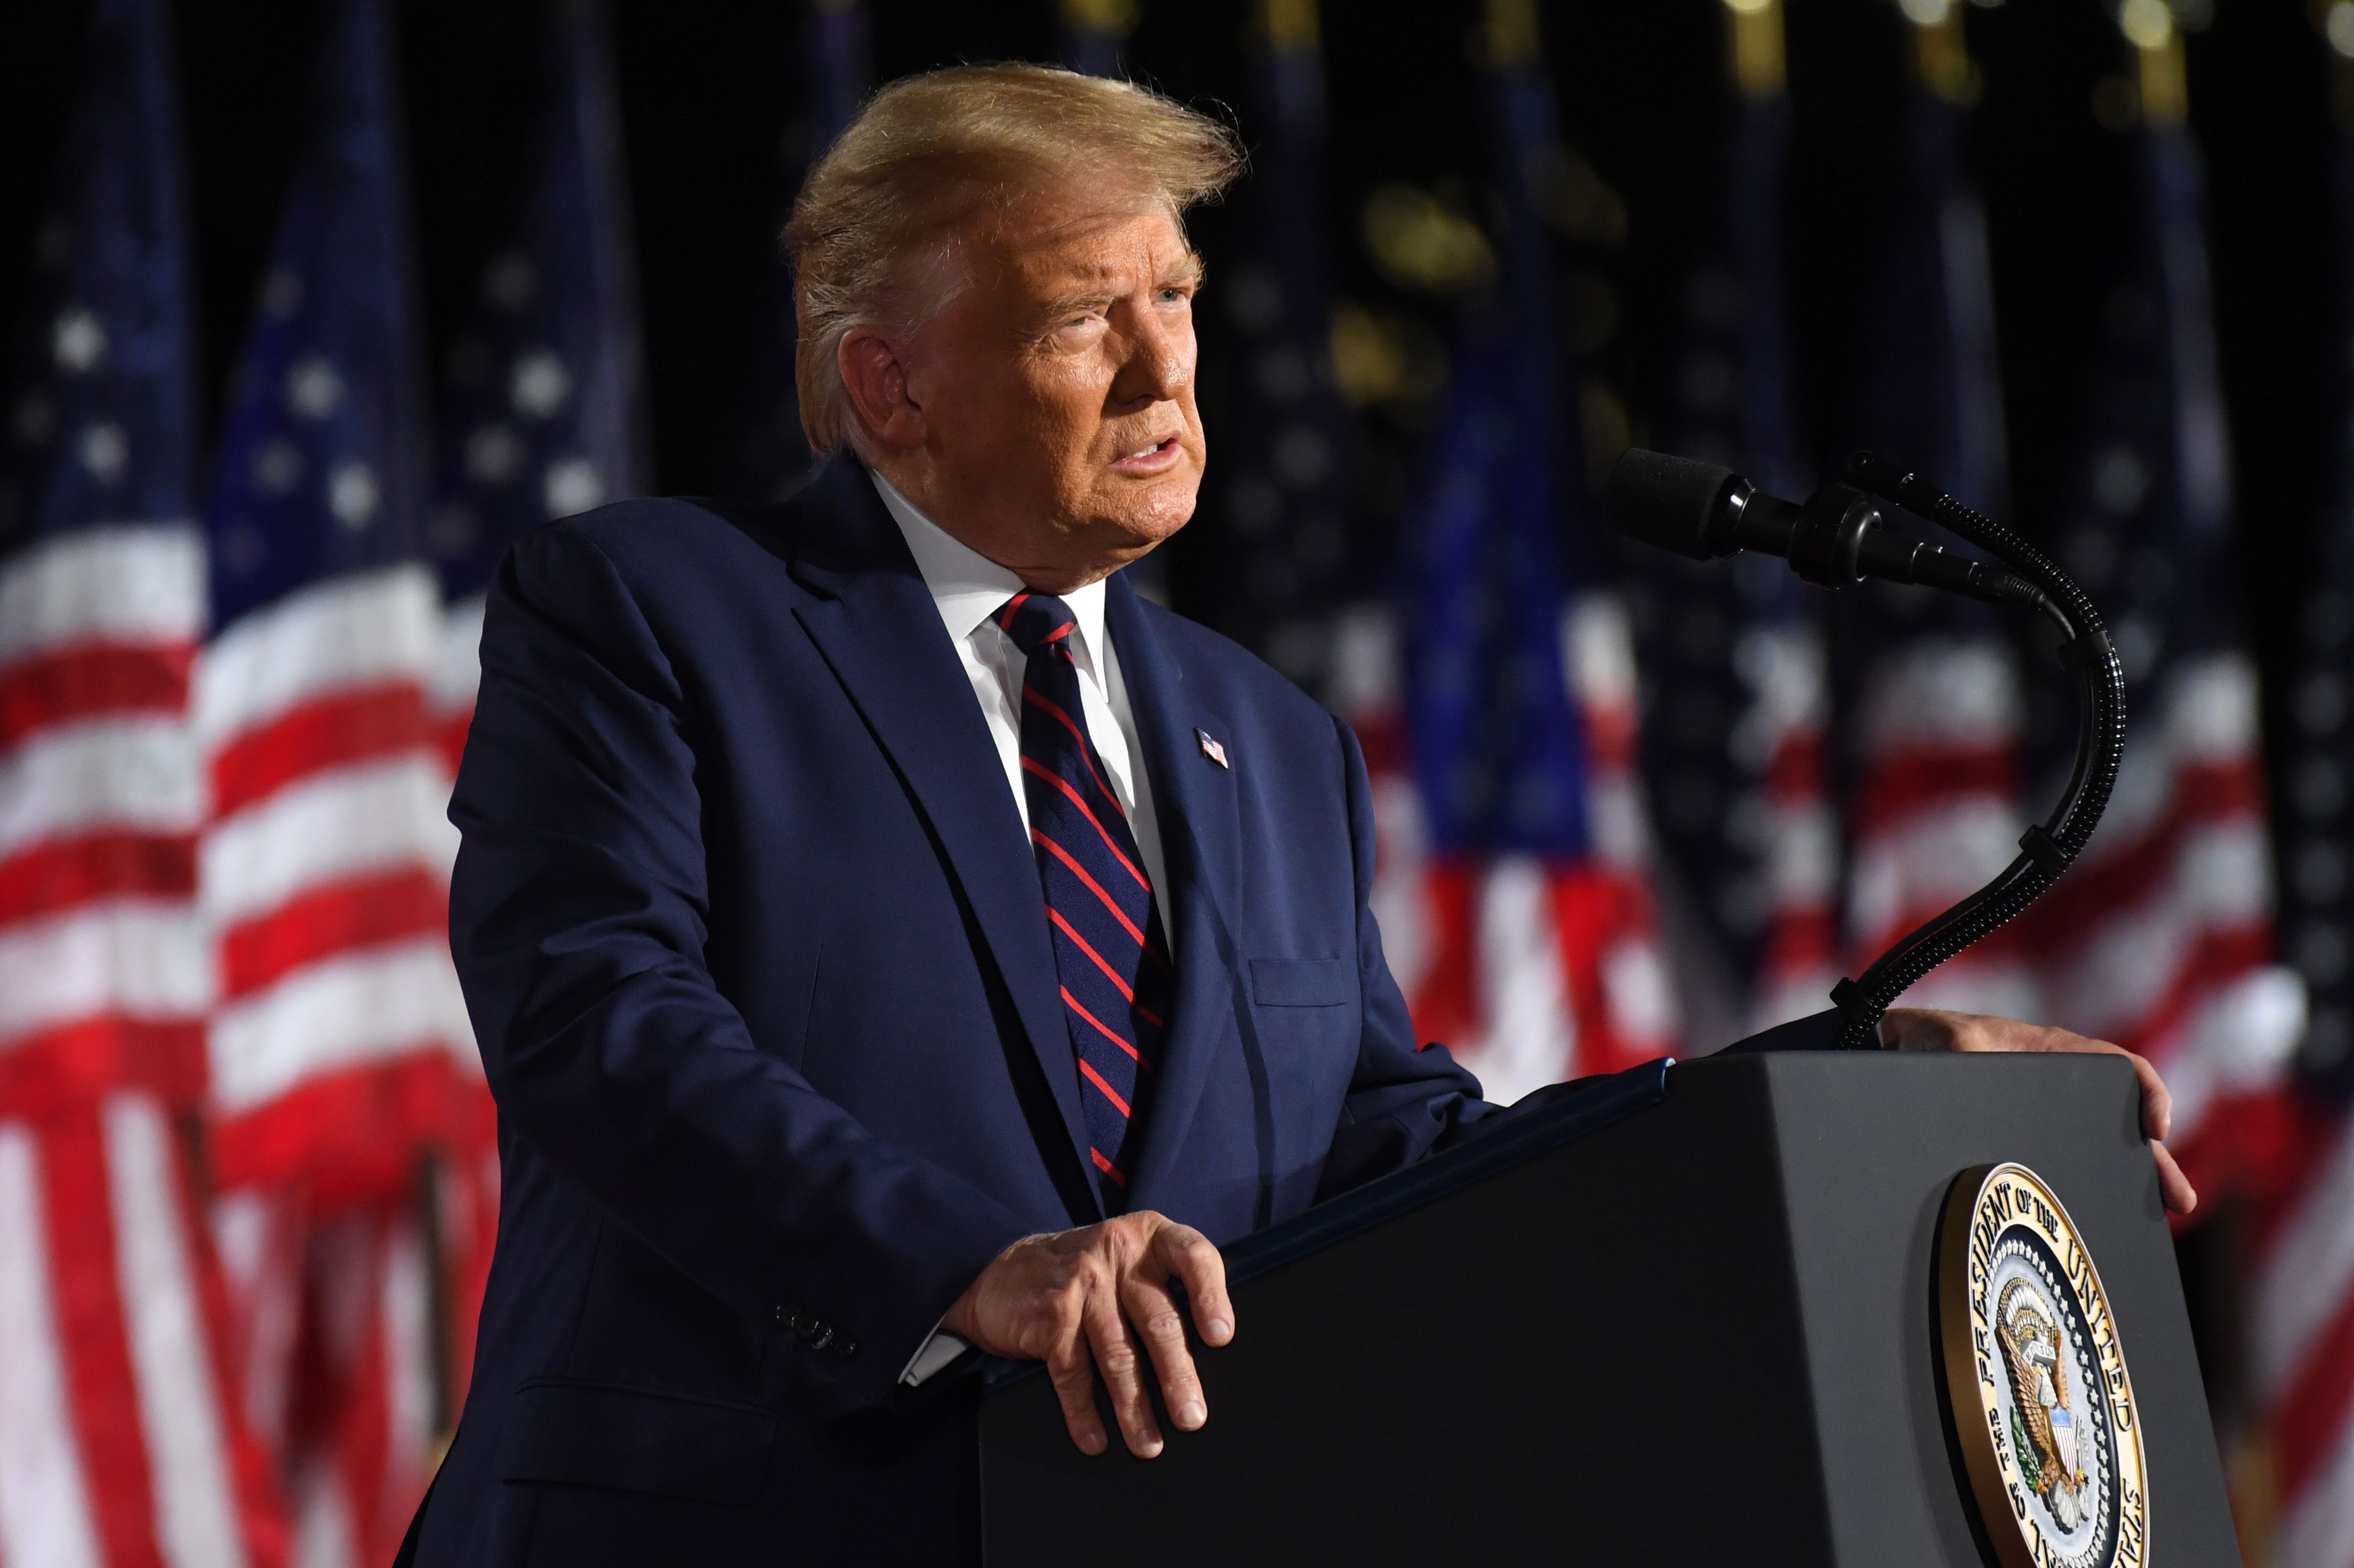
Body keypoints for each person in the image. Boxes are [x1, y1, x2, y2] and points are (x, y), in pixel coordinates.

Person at [405, 62, 2193, 1566]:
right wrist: (966, 1268)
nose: (1164, 368)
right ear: (892, 384)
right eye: (1080, 315)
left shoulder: (1265, 743)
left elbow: (1395, 1158)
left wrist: (1836, 1085)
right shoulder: (656, 613)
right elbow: (600, 1022)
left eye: (1173, 295)